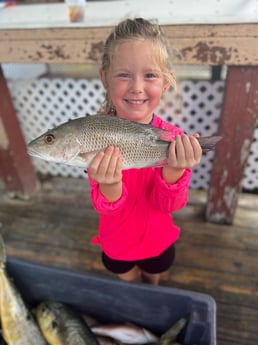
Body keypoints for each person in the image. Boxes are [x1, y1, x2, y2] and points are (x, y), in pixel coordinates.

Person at [87, 17, 202, 285]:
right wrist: (110, 183)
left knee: (152, 283)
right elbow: (106, 209)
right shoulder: (95, 132)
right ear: (105, 78)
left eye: (149, 75)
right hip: (116, 243)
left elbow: (171, 205)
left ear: (166, 81)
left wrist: (173, 171)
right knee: (129, 286)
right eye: (124, 74)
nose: (137, 87)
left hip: (158, 242)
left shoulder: (172, 138)